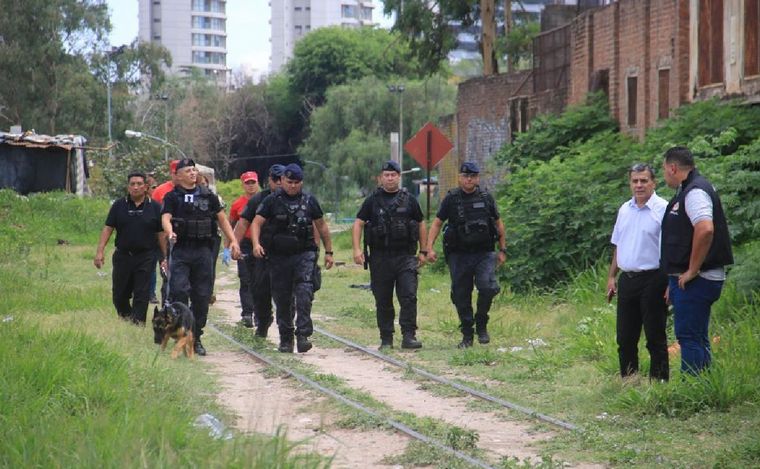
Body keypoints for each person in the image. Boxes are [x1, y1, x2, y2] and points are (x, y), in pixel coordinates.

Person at [660, 146, 733, 374]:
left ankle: (692, 384)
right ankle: (704, 383)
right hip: (691, 278)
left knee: (688, 337)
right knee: (697, 335)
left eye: (664, 169)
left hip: (698, 279)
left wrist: (692, 269)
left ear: (673, 168)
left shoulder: (695, 192)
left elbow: (705, 229)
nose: (664, 174)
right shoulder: (688, 189)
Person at [161, 159, 241, 356]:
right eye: (188, 170)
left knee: (202, 296)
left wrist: (233, 241)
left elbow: (222, 220)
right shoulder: (172, 197)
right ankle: (182, 331)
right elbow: (165, 218)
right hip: (181, 250)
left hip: (203, 251)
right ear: (178, 175)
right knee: (178, 291)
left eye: (194, 170)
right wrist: (170, 232)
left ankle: (195, 337)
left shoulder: (208, 196)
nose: (192, 173)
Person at [251, 163, 334, 353]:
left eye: (297, 182)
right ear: (282, 181)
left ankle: (303, 335)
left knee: (305, 292)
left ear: (301, 182)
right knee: (282, 299)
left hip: (304, 254)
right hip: (278, 257)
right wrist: (256, 244)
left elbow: (322, 226)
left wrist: (329, 252)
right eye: (289, 182)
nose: (293, 186)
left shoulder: (309, 201)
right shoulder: (272, 201)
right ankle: (286, 339)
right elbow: (256, 223)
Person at [426, 162, 506, 348]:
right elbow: (437, 223)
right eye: (466, 176)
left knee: (488, 287)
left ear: (477, 178)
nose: (469, 179)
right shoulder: (451, 199)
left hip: (484, 253)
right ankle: (467, 334)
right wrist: (429, 248)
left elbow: (498, 223)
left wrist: (502, 249)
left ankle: (481, 321)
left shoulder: (486, 198)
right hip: (459, 255)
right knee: (461, 294)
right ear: (460, 178)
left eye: (473, 176)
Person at [352, 160, 427, 350]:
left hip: (405, 256)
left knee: (409, 296)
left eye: (393, 175)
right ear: (381, 178)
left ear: (399, 177)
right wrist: (357, 249)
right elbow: (359, 223)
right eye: (386, 175)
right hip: (380, 257)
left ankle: (409, 336)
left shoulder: (410, 200)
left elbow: (421, 223)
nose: (390, 178)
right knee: (383, 299)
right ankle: (386, 338)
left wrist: (424, 250)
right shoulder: (372, 200)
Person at [606, 163, 669, 381]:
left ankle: (659, 383)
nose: (639, 185)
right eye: (635, 181)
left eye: (644, 180)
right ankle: (629, 381)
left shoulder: (663, 209)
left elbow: (672, 249)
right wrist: (612, 276)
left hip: (654, 278)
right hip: (627, 279)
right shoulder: (625, 209)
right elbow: (619, 245)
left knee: (655, 336)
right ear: (630, 183)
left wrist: (671, 282)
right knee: (625, 337)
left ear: (654, 183)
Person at [94, 172, 164, 324]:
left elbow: (161, 234)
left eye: (139, 184)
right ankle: (126, 317)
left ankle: (137, 324)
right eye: (132, 184)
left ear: (146, 187)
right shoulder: (119, 205)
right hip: (123, 256)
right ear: (128, 187)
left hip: (146, 256)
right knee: (119, 294)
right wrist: (100, 251)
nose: (135, 187)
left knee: (142, 293)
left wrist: (165, 257)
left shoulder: (155, 207)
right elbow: (108, 228)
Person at [233, 164, 285, 337]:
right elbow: (243, 223)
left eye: (282, 179)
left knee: (286, 292)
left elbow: (316, 223)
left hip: (285, 252)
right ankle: (263, 321)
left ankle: (287, 332)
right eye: (275, 179)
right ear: (269, 180)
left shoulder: (298, 198)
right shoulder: (259, 200)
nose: (279, 183)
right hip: (260, 251)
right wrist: (235, 245)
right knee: (259, 289)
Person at [228, 170, 260, 327]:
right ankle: (247, 313)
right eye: (248, 183)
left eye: (253, 182)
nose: (251, 186)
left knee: (261, 279)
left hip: (261, 243)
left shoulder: (265, 201)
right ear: (243, 185)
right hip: (244, 243)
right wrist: (230, 245)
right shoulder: (237, 204)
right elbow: (230, 225)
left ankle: (260, 313)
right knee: (246, 279)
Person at [146, 174, 160, 304]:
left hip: (154, 242)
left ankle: (151, 293)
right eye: (153, 187)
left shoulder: (156, 205)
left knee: (152, 268)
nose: (156, 190)